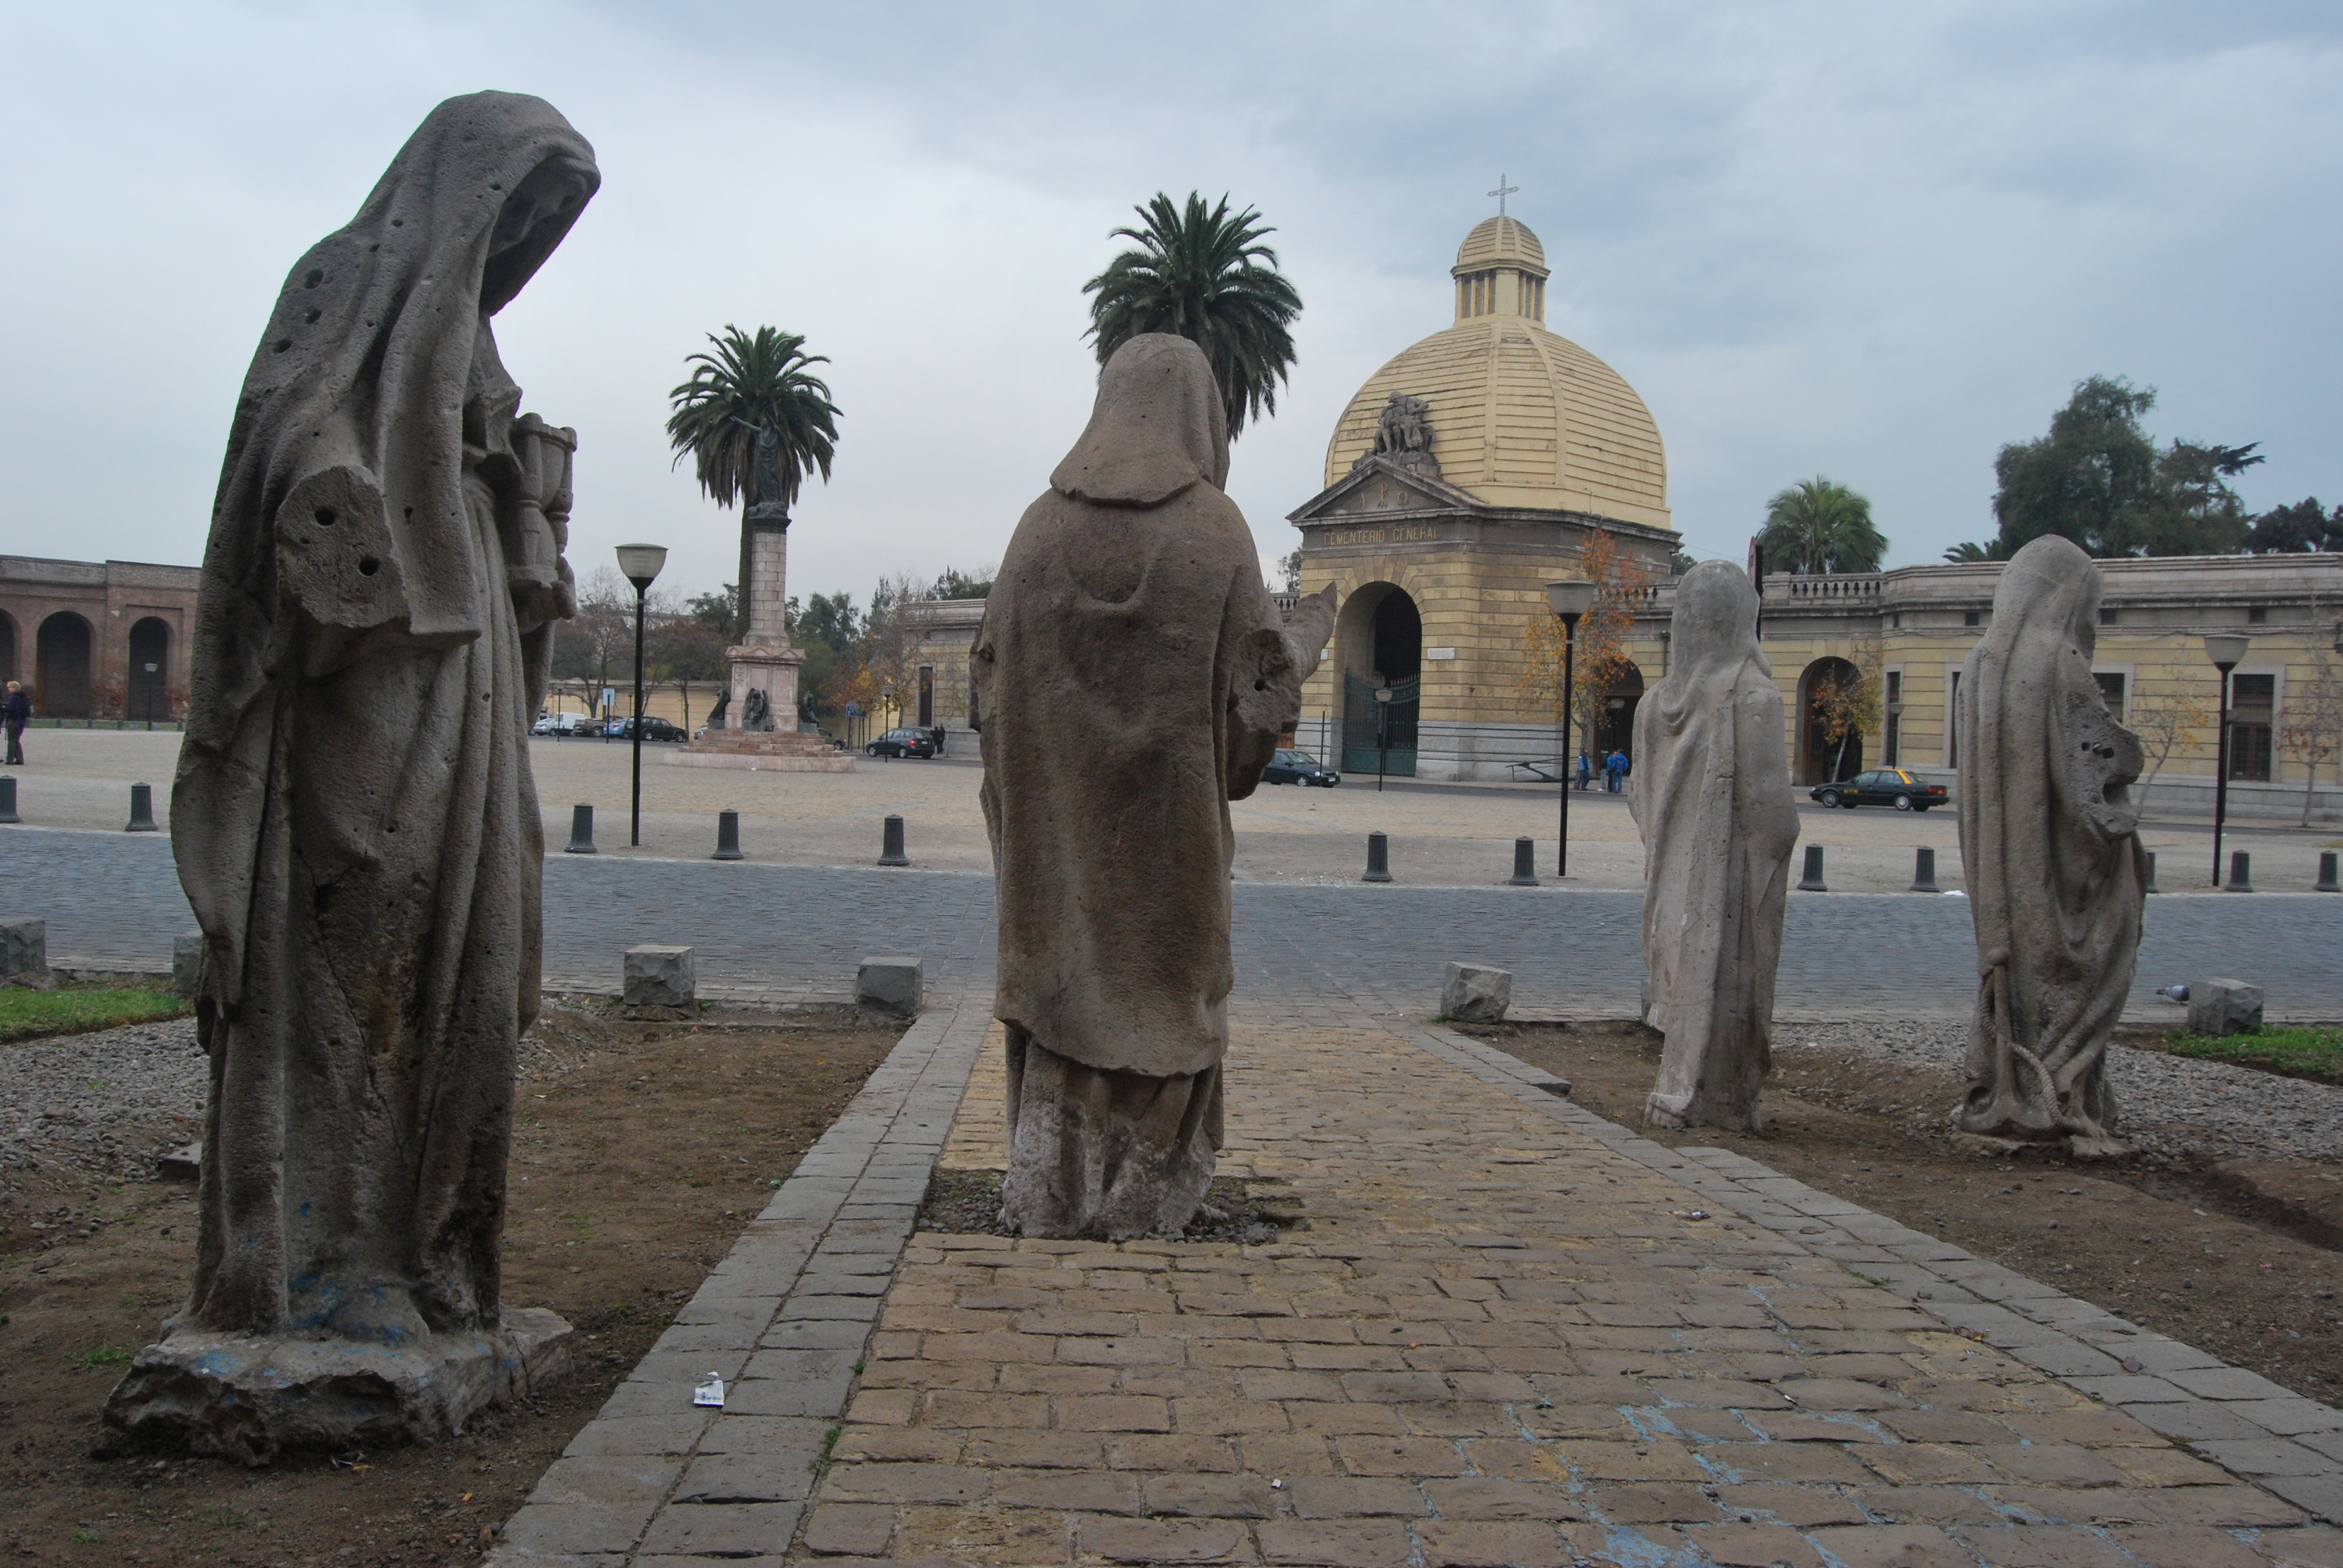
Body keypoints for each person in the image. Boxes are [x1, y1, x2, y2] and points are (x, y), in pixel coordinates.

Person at [975, 334, 1334, 1240]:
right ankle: (1143, 1199)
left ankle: (1051, 1188)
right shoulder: (1215, 531)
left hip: (1055, 861)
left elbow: (989, 692)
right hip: (1171, 858)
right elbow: (1253, 715)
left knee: (1067, 983)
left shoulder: (1035, 532)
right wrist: (1300, 653)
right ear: (1198, 417)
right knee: (1165, 997)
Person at [3, 681, 27, 766]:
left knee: (11, 741)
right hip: (21, 721)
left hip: (14, 721)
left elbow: (12, 710)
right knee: (16, 740)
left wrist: (3, 707)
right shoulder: (23, 697)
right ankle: (20, 759)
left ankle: (10, 760)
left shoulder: (14, 698)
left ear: (14, 688)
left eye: (10, 687)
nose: (9, 689)